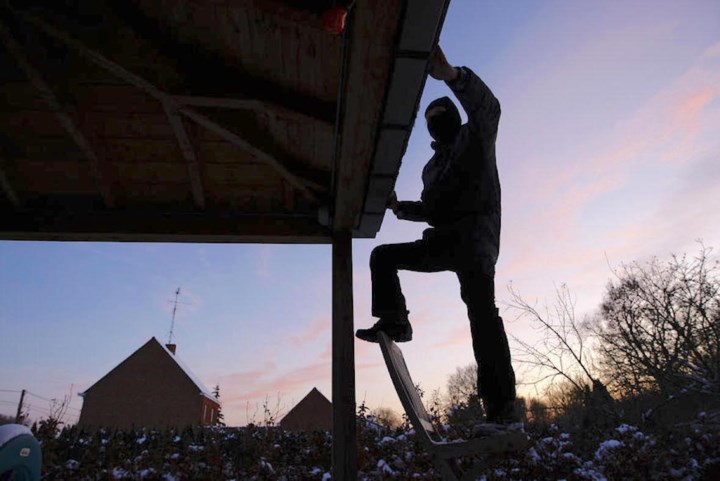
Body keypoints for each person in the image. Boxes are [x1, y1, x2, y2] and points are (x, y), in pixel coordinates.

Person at [355, 46, 517, 425]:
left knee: (482, 314)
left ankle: (502, 409)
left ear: (453, 119)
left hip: (476, 239)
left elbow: (488, 108)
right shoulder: (432, 168)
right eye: (431, 121)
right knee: (384, 256)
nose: (436, 124)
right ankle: (396, 320)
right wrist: (399, 208)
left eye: (441, 117)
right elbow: (431, 211)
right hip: (445, 241)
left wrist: (452, 75)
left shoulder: (474, 138)